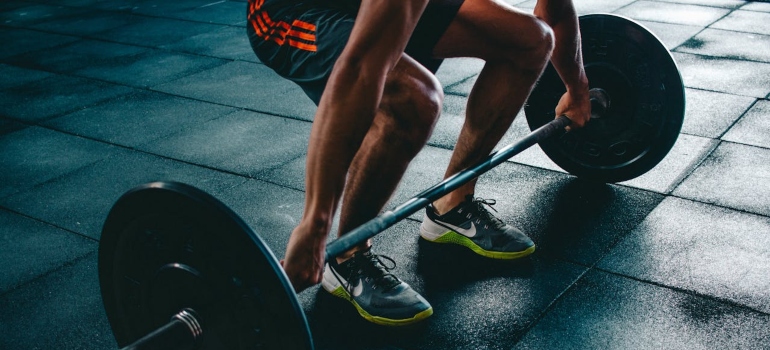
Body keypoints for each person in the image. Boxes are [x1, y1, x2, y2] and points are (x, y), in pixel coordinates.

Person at [247, 0, 590, 326]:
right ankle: (348, 257)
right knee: (414, 98)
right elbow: (362, 68)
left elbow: (554, 13)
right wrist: (315, 224)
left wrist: (577, 88)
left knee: (530, 40)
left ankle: (451, 204)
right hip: (291, 10)